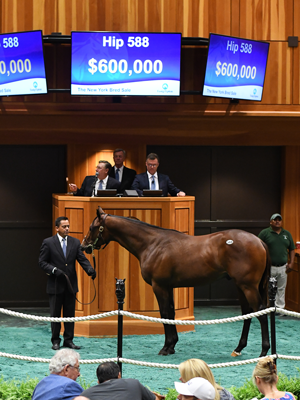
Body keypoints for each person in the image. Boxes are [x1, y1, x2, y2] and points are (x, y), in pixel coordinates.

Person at [39, 216, 96, 350]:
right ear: (57, 228)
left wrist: (89, 269)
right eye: (64, 226)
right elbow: (42, 262)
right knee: (55, 314)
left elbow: (82, 259)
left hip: (70, 286)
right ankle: (55, 341)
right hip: (55, 285)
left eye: (68, 226)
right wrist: (53, 270)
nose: (67, 229)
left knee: (70, 314)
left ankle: (68, 340)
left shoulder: (75, 243)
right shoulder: (48, 242)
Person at [258, 213, 295, 310]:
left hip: (283, 267)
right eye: (275, 220)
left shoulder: (287, 234)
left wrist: (291, 263)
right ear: (271, 222)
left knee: (281, 288)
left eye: (279, 220)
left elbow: (292, 249)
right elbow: (257, 248)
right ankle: (268, 308)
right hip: (269, 267)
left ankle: (279, 308)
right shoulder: (265, 233)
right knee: (267, 288)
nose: (277, 221)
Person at [81, 361, 164, 400]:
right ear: (119, 375)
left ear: (98, 381)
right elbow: (156, 399)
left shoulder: (85, 394)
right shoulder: (133, 384)